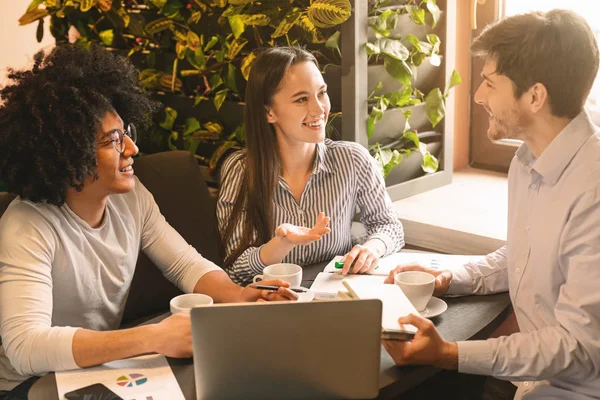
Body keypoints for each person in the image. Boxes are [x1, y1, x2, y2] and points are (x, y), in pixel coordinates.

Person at [0, 44, 297, 395]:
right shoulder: (27, 225)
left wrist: (237, 296)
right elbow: (25, 347)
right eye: (113, 141)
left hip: (98, 372)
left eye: (126, 133)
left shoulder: (132, 198)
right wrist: (154, 337)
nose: (131, 149)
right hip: (32, 386)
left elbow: (185, 264)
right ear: (68, 153)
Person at [383, 9, 600, 400]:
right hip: (530, 379)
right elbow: (525, 254)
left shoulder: (593, 191)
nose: (479, 96)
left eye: (488, 83)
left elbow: (578, 347)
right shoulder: (528, 160)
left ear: (535, 96)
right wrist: (449, 278)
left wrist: (450, 353)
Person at [217, 46, 405, 286]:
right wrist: (283, 243)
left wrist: (371, 249)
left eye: (322, 93)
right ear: (269, 112)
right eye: (302, 99)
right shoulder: (241, 171)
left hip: (337, 297)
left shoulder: (354, 160)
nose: (319, 109)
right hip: (273, 304)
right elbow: (235, 271)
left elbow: (389, 225)